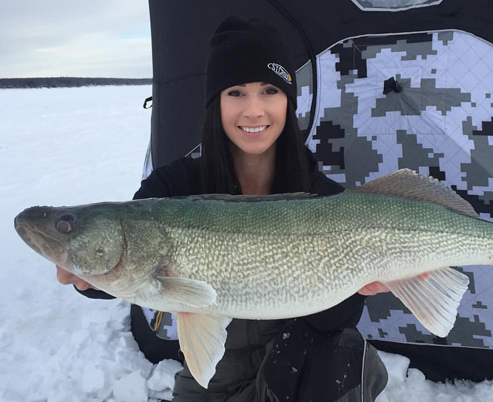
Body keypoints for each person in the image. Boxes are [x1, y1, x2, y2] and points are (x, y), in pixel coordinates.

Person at [56, 16, 389, 401]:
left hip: (299, 362)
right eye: (235, 93)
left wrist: (356, 288)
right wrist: (91, 280)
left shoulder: (324, 197)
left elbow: (333, 323)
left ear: (288, 99)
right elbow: (133, 257)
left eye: (269, 91)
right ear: (216, 102)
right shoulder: (170, 188)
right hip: (215, 372)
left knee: (338, 355)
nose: (253, 111)